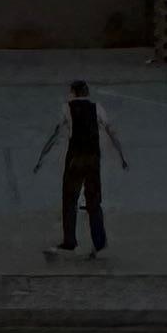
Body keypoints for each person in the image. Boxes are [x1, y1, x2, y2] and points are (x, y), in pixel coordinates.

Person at [36, 78, 125, 255]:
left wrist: (42, 157)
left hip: (75, 159)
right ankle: (99, 242)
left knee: (70, 199)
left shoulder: (67, 108)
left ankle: (70, 240)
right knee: (94, 201)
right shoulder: (97, 108)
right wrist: (122, 156)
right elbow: (111, 132)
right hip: (93, 158)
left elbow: (55, 135)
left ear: (73, 93)